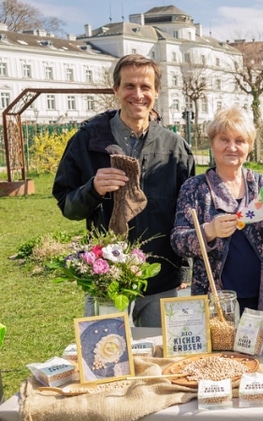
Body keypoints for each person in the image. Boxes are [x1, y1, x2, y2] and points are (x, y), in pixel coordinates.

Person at [53, 54, 195, 327]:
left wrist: (184, 274)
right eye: (129, 86)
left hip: (162, 281)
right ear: (116, 89)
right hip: (107, 283)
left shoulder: (175, 148)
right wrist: (92, 189)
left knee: (161, 362)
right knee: (106, 360)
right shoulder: (88, 142)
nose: (138, 94)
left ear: (156, 92)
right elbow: (67, 205)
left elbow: (187, 217)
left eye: (145, 87)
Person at [171, 106, 263, 313]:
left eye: (240, 140)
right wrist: (209, 231)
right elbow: (178, 242)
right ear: (212, 143)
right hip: (216, 301)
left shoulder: (262, 185)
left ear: (249, 146)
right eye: (224, 139)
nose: (232, 147)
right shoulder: (195, 188)